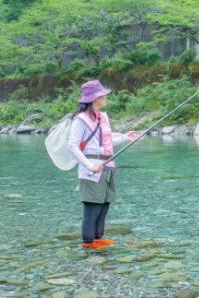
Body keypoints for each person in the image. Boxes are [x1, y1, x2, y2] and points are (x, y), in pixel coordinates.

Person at [68, 80, 140, 249]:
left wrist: (125, 137)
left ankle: (98, 239)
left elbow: (107, 140)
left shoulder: (103, 116)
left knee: (104, 205)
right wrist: (88, 165)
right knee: (92, 208)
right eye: (103, 94)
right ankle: (87, 244)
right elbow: (72, 145)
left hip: (108, 166)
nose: (106, 96)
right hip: (92, 169)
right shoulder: (81, 119)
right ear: (94, 98)